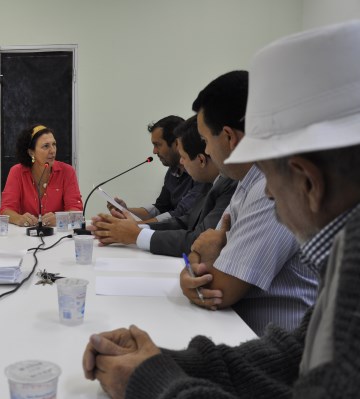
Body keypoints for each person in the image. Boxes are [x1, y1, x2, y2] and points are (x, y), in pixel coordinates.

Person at [82, 20, 360, 398]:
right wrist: (163, 362)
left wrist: (149, 382)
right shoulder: (343, 252)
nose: (268, 193)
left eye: (265, 172)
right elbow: (293, 356)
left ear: (307, 181)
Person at [180, 70, 317, 334]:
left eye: (206, 141)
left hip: (280, 354)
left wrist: (191, 276)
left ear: (229, 137)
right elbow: (205, 249)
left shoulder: (269, 188)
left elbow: (218, 290)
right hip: (244, 335)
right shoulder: (246, 184)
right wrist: (194, 266)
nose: (206, 151)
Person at [88, 116, 236, 257]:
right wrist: (134, 228)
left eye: (183, 157)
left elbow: (197, 239)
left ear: (201, 160)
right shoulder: (210, 182)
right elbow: (185, 220)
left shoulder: (227, 185)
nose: (182, 163)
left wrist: (136, 234)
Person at [111, 116, 209, 223]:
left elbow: (181, 214)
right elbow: (161, 207)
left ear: (177, 143)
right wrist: (126, 211)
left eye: (158, 145)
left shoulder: (200, 172)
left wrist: (137, 226)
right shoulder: (172, 172)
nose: (154, 151)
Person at [0, 124, 83, 227]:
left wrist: (60, 218)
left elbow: (76, 210)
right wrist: (19, 218)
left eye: (54, 144)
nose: (53, 151)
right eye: (46, 146)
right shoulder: (17, 172)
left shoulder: (67, 171)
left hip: (58, 235)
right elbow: (6, 210)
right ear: (31, 153)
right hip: (25, 236)